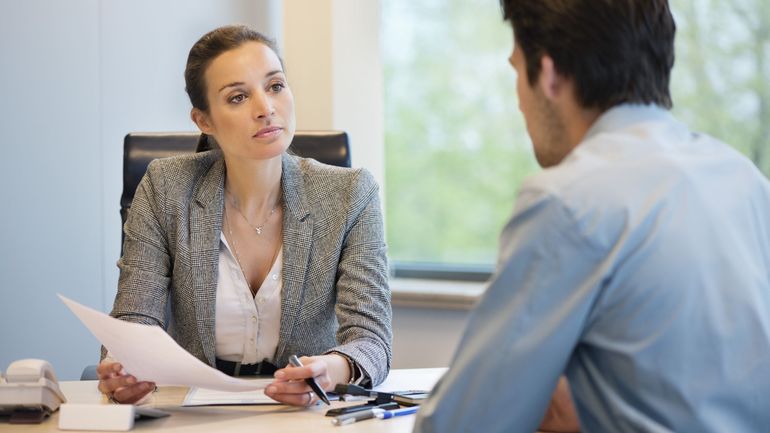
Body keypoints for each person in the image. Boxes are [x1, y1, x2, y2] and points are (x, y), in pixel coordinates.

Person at [414, 1, 770, 432]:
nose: (520, 105)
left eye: (515, 70)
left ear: (548, 74)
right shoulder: (744, 180)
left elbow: (461, 425)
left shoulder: (568, 201)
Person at [96, 25, 392, 406]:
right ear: (204, 121)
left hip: (305, 412)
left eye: (275, 86)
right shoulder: (166, 187)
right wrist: (124, 367)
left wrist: (330, 371)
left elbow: (371, 339)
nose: (266, 108)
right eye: (238, 97)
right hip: (195, 409)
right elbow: (134, 317)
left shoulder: (351, 193)